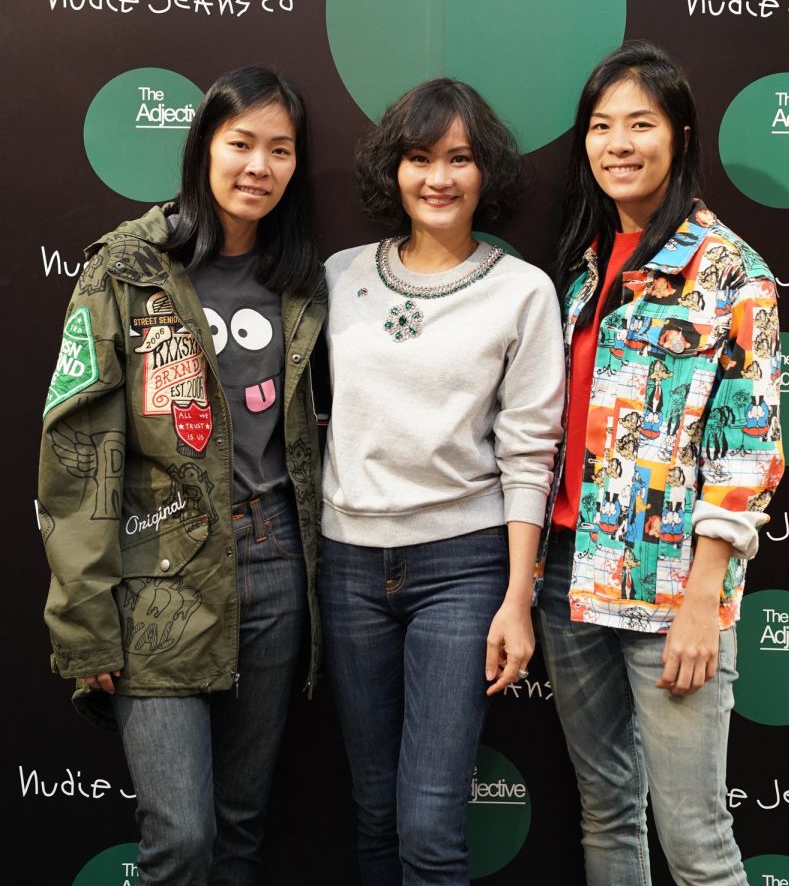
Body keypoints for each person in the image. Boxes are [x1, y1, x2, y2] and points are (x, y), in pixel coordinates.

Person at [38, 66, 326, 886]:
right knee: (183, 836)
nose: (259, 166)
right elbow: (79, 448)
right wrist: (83, 618)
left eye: (280, 149)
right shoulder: (128, 268)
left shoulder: (301, 280)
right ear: (204, 147)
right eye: (241, 144)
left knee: (239, 830)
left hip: (275, 562)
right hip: (155, 574)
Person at [537, 40, 784, 886]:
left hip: (671, 584)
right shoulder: (583, 267)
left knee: (697, 843)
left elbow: (747, 449)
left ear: (679, 134)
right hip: (568, 573)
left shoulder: (730, 272)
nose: (618, 144)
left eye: (639, 124)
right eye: (601, 126)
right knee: (607, 812)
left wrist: (702, 601)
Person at [319, 77, 565, 886]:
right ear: (393, 169)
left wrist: (518, 598)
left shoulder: (522, 291)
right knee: (374, 813)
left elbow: (530, 454)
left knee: (429, 826)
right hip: (347, 566)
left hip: (463, 568)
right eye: (420, 158)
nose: (439, 178)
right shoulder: (339, 276)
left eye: (459, 159)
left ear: (485, 170)